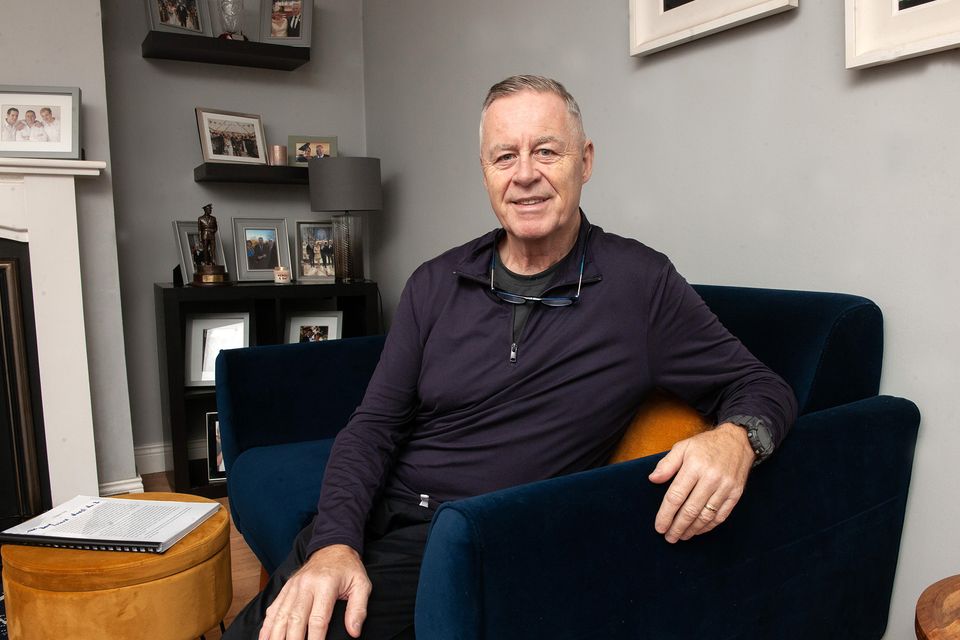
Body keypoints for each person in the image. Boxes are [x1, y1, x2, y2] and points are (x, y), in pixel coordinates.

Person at [224, 75, 797, 640]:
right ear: (486, 172)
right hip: (373, 513)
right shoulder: (435, 282)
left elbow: (760, 385)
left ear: (585, 161)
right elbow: (373, 425)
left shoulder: (640, 286)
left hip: (465, 537)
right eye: (505, 156)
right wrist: (334, 542)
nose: (525, 174)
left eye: (546, 151)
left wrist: (735, 439)